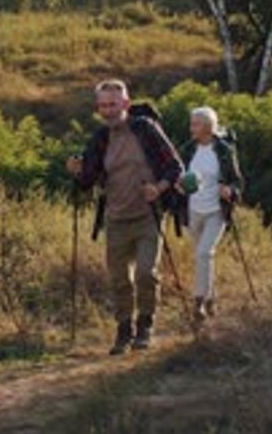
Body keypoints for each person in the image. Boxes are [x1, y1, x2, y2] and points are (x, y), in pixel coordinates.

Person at [67, 80, 183, 355]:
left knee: (145, 273)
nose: (108, 110)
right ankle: (123, 330)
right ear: (98, 108)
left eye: (113, 104)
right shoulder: (101, 138)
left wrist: (159, 189)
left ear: (126, 104)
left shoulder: (146, 130)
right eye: (103, 105)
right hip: (116, 217)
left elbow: (174, 166)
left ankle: (145, 326)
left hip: (148, 215)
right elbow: (88, 181)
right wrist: (75, 170)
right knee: (119, 279)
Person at [180, 106, 243, 324]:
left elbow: (237, 182)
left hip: (216, 211)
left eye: (195, 124)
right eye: (192, 123)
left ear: (208, 127)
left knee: (204, 253)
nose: (191, 128)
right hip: (192, 210)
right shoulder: (187, 150)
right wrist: (178, 185)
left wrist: (231, 191)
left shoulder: (225, 150)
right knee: (202, 257)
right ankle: (211, 298)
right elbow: (178, 177)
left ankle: (198, 302)